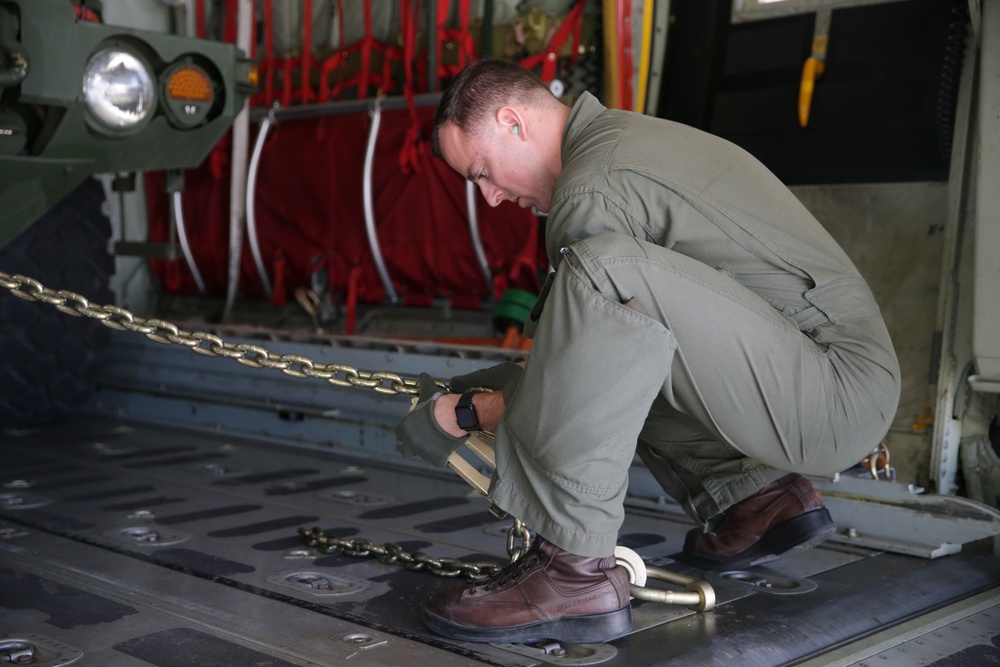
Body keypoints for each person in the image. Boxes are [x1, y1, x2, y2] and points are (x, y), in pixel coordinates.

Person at [395, 59, 900, 644]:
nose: (491, 197)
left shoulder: (590, 193)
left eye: (482, 172)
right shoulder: (620, 141)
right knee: (625, 336)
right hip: (825, 380)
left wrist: (465, 412)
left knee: (603, 281)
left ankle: (572, 569)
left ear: (513, 121)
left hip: (829, 395)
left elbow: (583, 376)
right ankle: (759, 497)